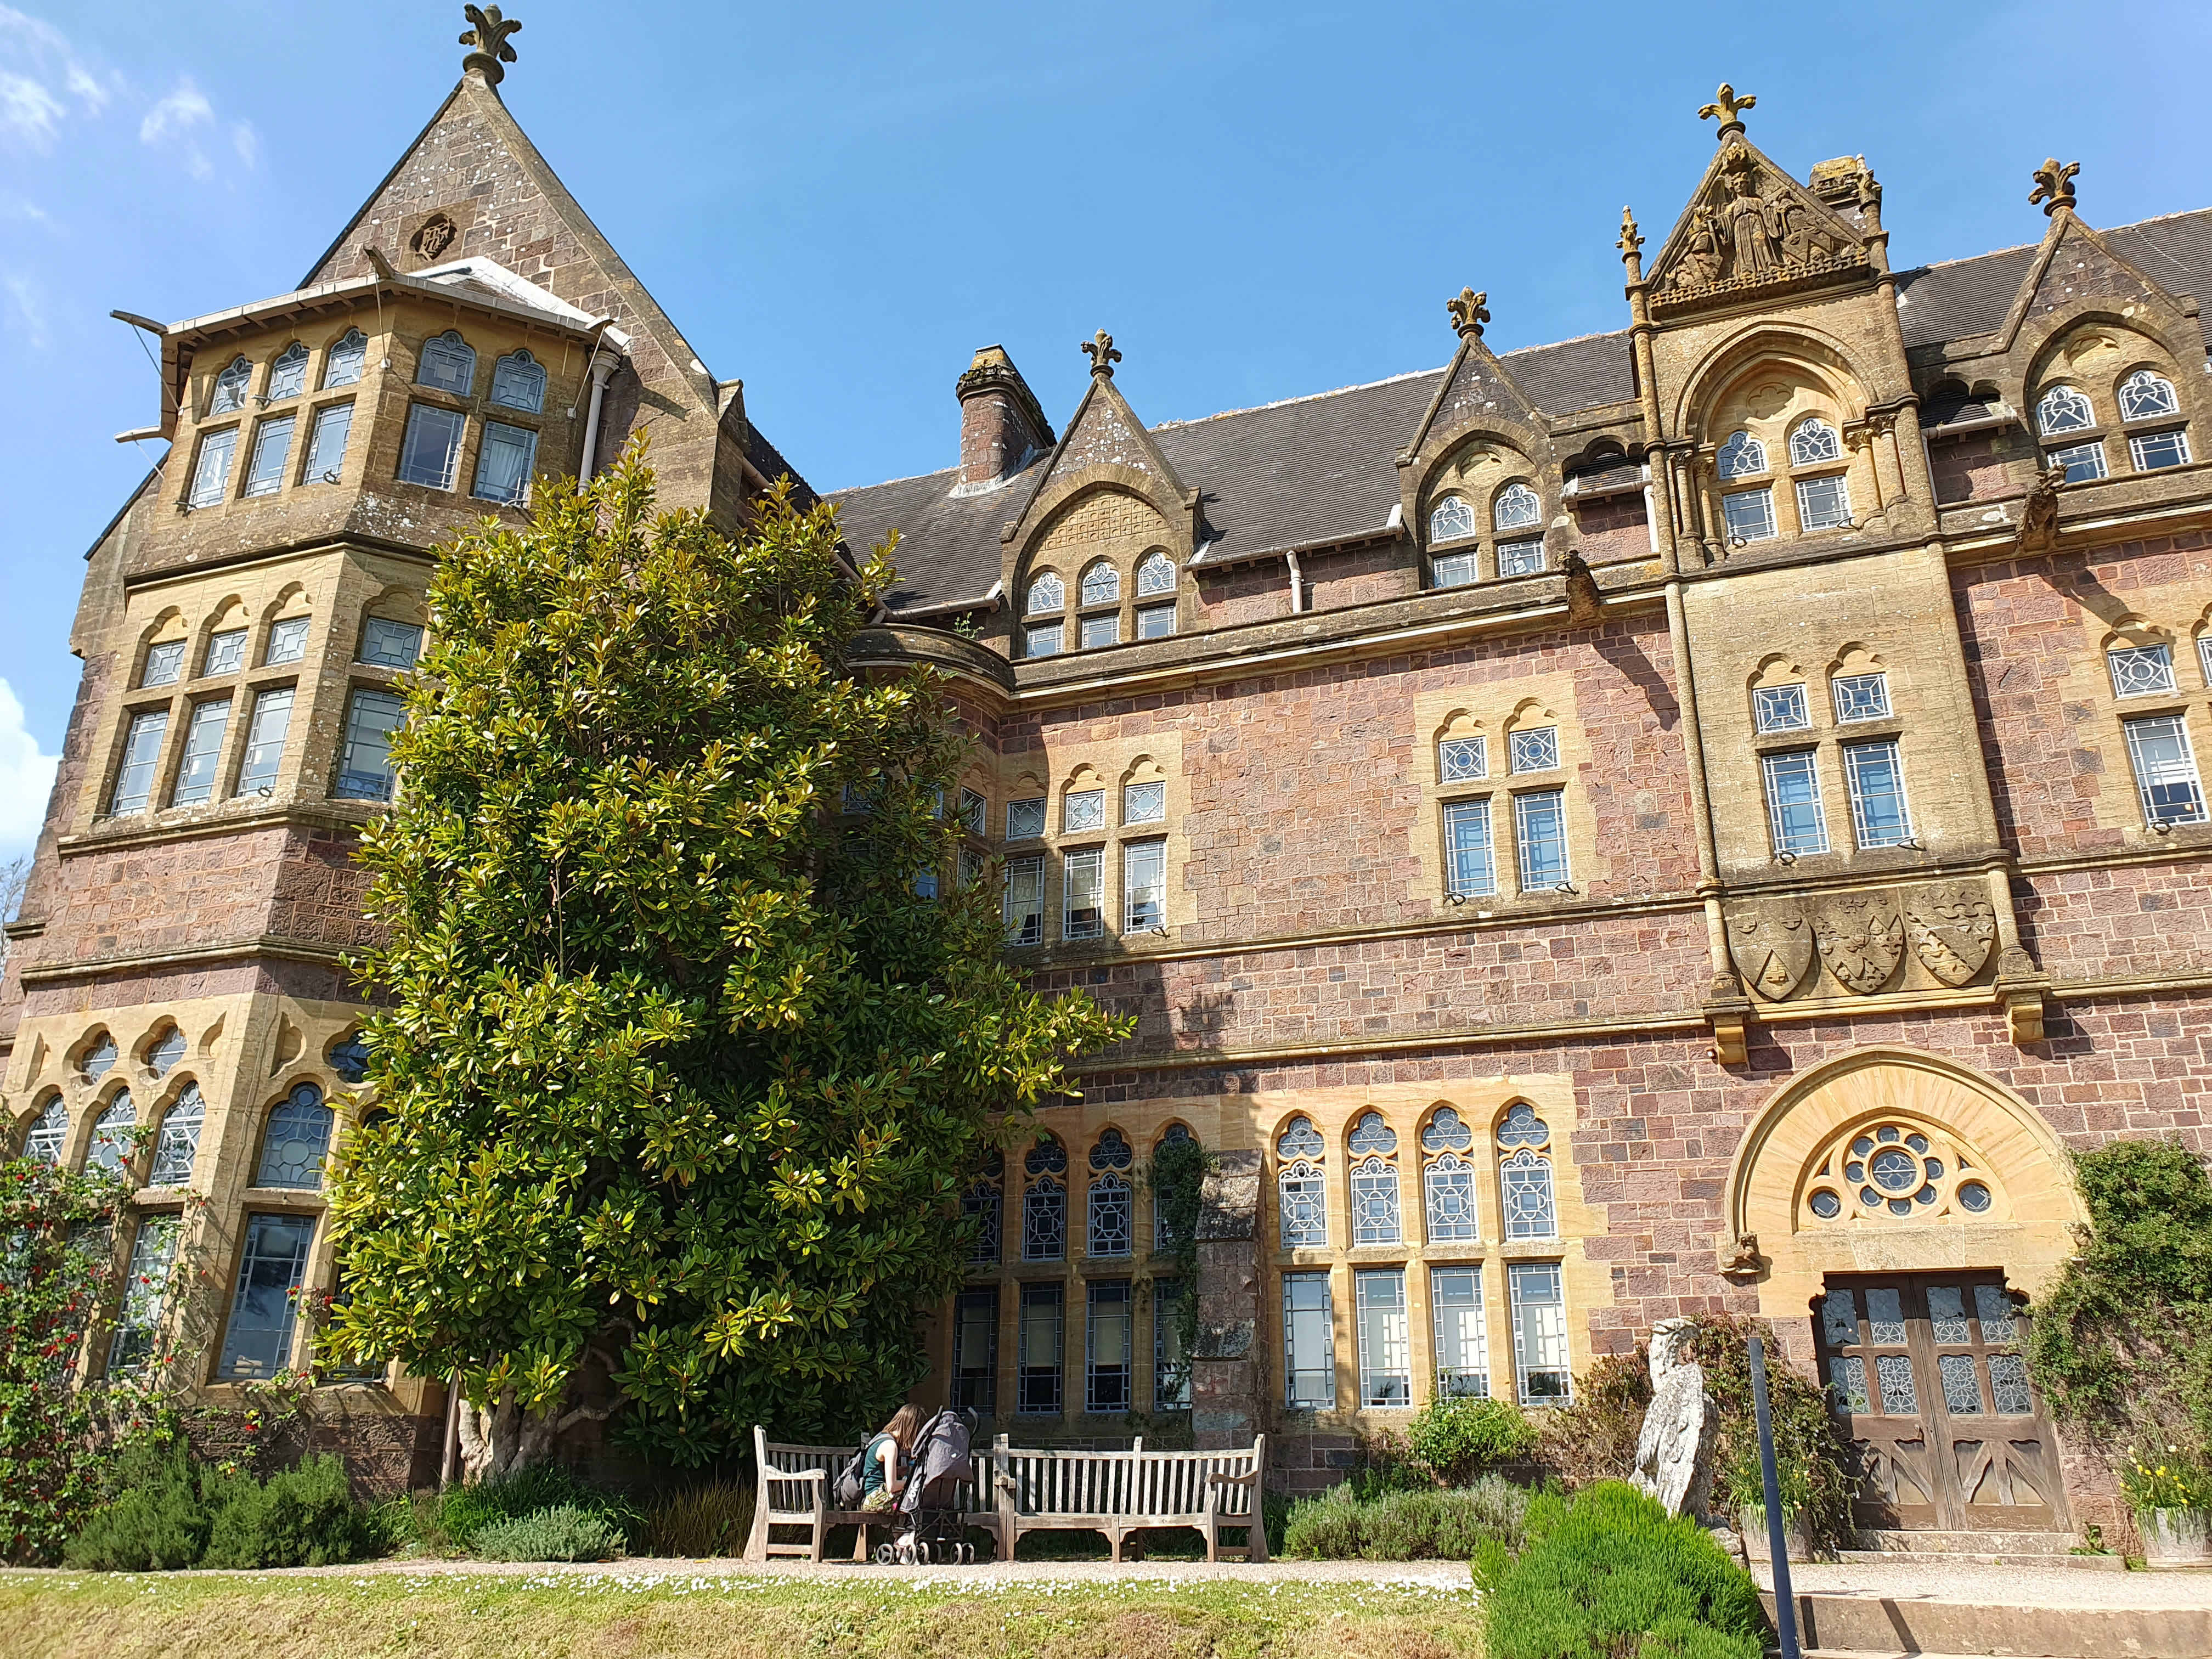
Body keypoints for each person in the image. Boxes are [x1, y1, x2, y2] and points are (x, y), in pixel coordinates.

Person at [859, 1403, 922, 1512]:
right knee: (916, 1497)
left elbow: (878, 1472)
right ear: (911, 1429)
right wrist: (914, 1482)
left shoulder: (883, 1437)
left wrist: (902, 1471)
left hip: (872, 1496)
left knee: (913, 1499)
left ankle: (904, 1528)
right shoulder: (890, 1446)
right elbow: (892, 1487)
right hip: (876, 1499)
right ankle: (908, 1528)